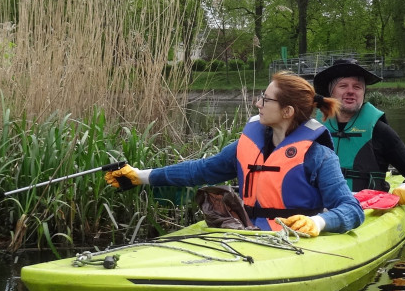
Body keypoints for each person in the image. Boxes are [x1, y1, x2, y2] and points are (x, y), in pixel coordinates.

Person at [104, 72, 364, 236]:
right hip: (248, 232)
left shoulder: (318, 156)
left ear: (287, 111)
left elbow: (352, 209)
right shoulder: (245, 148)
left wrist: (318, 222)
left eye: (266, 99)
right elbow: (199, 171)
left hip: (293, 239)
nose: (258, 104)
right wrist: (140, 176)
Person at [312, 58, 405, 206]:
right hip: (320, 207)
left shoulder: (380, 131)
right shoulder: (313, 130)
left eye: (357, 87)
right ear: (331, 92)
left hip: (367, 208)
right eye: (343, 86)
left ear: (363, 93)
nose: (350, 91)